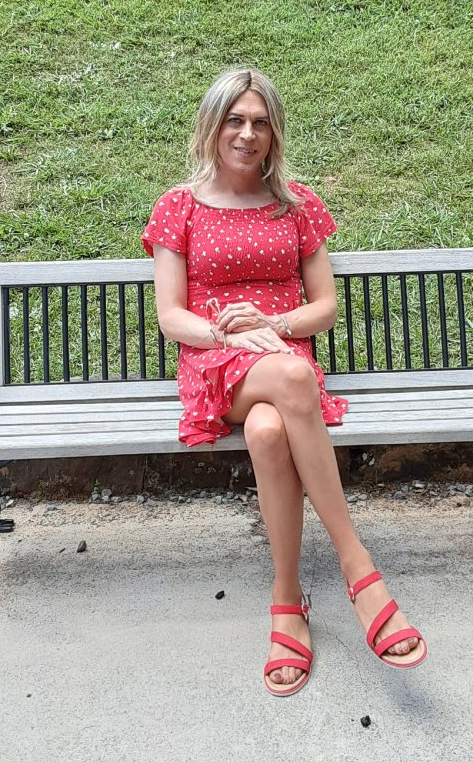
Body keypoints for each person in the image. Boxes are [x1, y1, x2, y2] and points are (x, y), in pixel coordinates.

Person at [140, 68, 427, 696]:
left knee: (270, 431)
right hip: (216, 362)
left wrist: (270, 321)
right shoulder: (178, 207)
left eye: (260, 122)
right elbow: (171, 316)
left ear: (274, 133)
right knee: (293, 376)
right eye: (235, 120)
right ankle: (360, 571)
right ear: (211, 127)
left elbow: (324, 306)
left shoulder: (296, 204)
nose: (248, 134)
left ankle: (288, 602)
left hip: (282, 353)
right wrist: (227, 333)